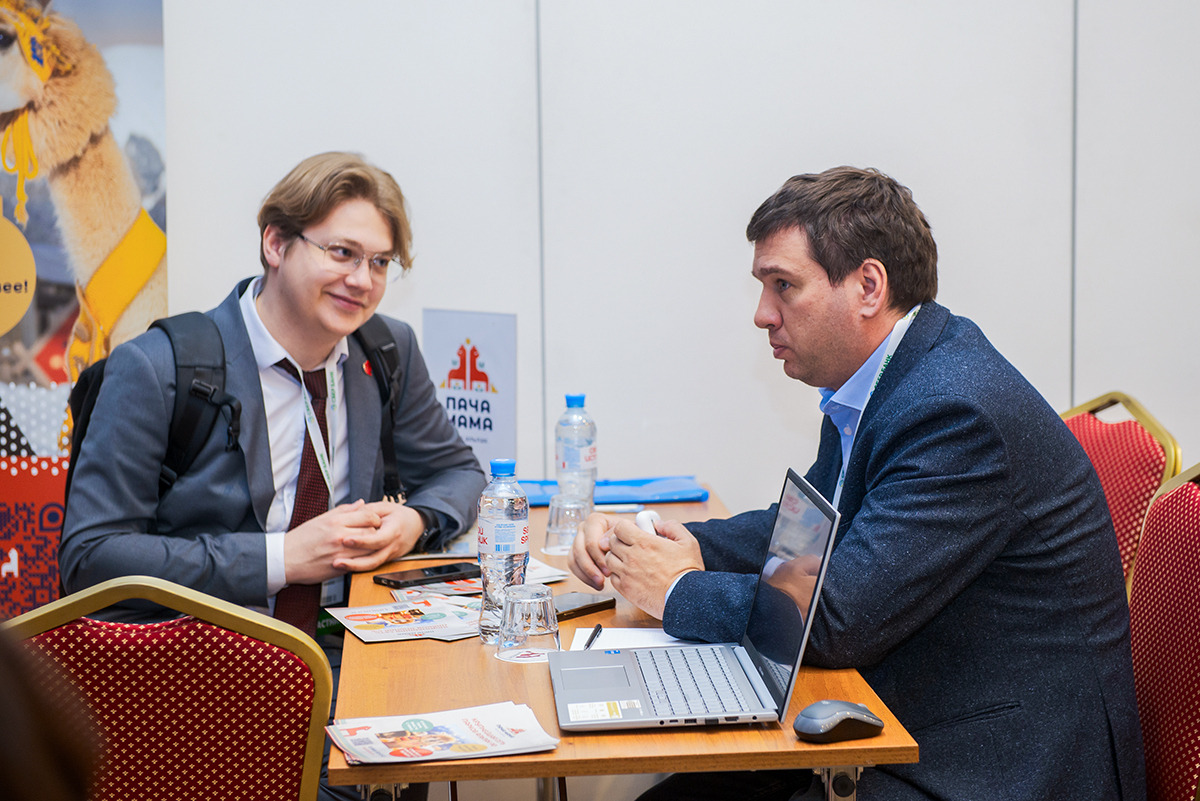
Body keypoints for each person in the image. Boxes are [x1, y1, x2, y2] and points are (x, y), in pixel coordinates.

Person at [569, 167, 1145, 800]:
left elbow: (839, 619)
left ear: (868, 286)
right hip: (917, 708)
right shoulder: (879, 378)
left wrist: (678, 587)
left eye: (784, 286)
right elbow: (808, 537)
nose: (764, 315)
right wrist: (662, 544)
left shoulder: (955, 413)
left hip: (998, 762)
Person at [59, 151, 486, 801]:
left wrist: (415, 519)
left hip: (340, 660)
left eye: (379, 262)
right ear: (276, 243)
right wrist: (282, 557)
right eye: (342, 252)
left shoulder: (386, 349)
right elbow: (92, 558)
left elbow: (457, 471)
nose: (362, 280)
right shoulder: (158, 368)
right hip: (194, 674)